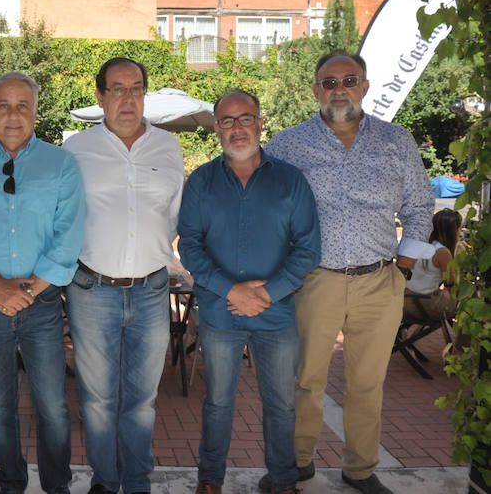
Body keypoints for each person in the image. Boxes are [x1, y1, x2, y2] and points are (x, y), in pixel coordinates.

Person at [263, 52, 434, 494]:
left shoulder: (396, 141)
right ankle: (297, 464)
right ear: (316, 90)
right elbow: (265, 206)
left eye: (349, 80)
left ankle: (359, 469)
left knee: (367, 383)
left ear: (365, 86)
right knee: (305, 379)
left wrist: (404, 267)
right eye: (329, 82)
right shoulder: (287, 144)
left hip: (380, 280)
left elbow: (419, 206)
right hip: (313, 280)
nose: (339, 89)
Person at [178, 90, 321, 494]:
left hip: (277, 314)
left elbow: (308, 249)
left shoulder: (291, 180)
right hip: (221, 313)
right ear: (217, 129)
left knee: (281, 405)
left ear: (260, 123)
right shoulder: (201, 181)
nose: (237, 128)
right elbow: (190, 246)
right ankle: (210, 481)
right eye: (227, 121)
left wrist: (268, 294)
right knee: (217, 404)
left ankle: (283, 482)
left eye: (245, 118)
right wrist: (231, 291)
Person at [0, 72, 84, 494]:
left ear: (35, 112)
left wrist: (25, 292)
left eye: (22, 105)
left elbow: (68, 237)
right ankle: (11, 480)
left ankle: (56, 486)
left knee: (53, 406)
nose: (13, 114)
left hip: (42, 304)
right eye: (4, 105)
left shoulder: (61, 164)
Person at [62, 57, 184, 494]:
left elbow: (173, 214)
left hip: (151, 290)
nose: (128, 97)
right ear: (101, 97)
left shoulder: (168, 147)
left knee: (142, 400)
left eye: (136, 88)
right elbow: (62, 215)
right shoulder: (75, 150)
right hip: (92, 289)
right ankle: (105, 480)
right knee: (97, 400)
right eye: (118, 89)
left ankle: (135, 482)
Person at [403, 209, 462, 321]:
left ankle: (413, 328)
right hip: (423, 305)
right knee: (467, 306)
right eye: (460, 229)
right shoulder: (442, 252)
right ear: (454, 231)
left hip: (405, 302)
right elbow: (451, 285)